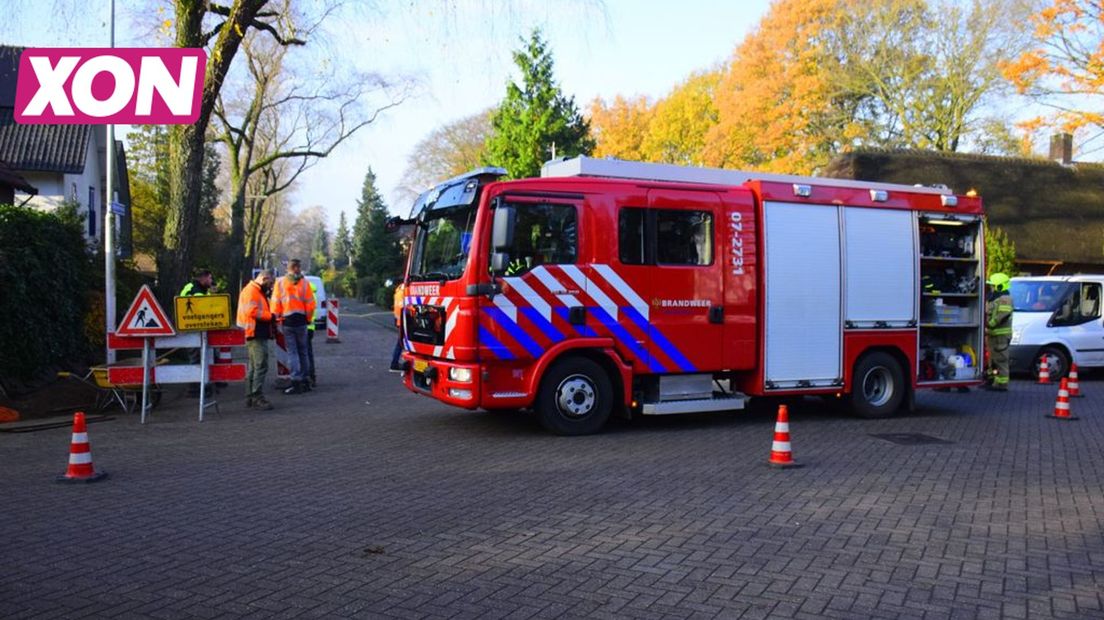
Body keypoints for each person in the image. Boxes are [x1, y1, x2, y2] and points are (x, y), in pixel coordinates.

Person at [271, 259, 316, 395]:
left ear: (288, 268)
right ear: (297, 268)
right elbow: (310, 304)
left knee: (292, 352)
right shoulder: (305, 283)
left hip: (287, 321)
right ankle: (306, 379)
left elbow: (275, 303)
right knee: (303, 351)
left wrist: (277, 319)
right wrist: (308, 319)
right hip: (301, 321)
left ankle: (295, 381)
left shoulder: (280, 283)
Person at [236, 269, 275, 410]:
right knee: (261, 365)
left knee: (254, 367)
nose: (271, 286)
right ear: (264, 278)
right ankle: (257, 396)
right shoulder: (252, 291)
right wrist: (270, 316)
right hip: (255, 333)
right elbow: (252, 311)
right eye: (270, 282)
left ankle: (250, 396)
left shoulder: (254, 290)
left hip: (254, 332)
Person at [180, 268, 215, 396]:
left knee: (203, 356)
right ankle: (194, 388)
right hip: (192, 328)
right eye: (210, 278)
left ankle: (204, 384)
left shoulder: (202, 289)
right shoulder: (194, 289)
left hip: (198, 327)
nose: (211, 281)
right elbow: (203, 307)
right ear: (203, 278)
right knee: (195, 357)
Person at [985, 272, 1013, 391]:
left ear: (1000, 286)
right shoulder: (995, 298)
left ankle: (1002, 384)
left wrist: (989, 325)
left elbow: (1002, 315)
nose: (991, 288)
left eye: (993, 285)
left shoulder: (1005, 299)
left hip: (1000, 335)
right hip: (993, 335)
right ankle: (992, 381)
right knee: (992, 360)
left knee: (1001, 360)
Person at [306, 279, 319, 387]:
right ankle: (311, 377)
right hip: (310, 327)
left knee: (303, 354)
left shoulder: (306, 296)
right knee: (308, 353)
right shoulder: (312, 295)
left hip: (304, 326)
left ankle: (308, 377)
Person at [390, 282, 405, 372]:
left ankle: (395, 363)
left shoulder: (398, 291)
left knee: (401, 343)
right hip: (405, 322)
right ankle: (394, 364)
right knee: (401, 344)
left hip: (399, 321)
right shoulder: (405, 292)